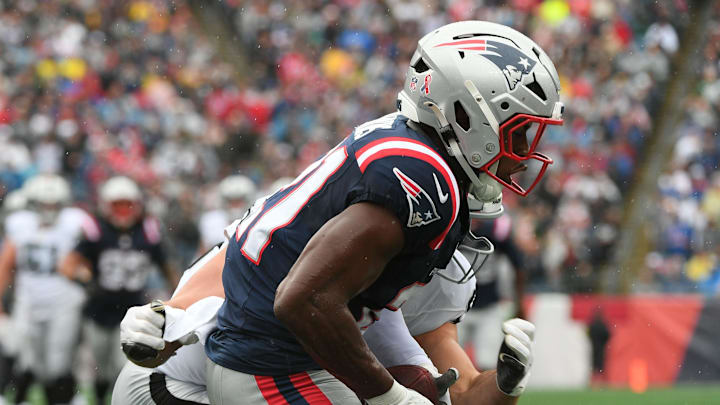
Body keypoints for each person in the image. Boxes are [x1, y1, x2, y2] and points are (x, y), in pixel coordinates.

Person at [203, 20, 561, 404]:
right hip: (269, 363)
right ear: (467, 114)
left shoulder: (412, 151)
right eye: (519, 131)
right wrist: (389, 396)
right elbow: (303, 300)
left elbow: (463, 394)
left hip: (273, 353)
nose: (524, 154)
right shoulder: (423, 180)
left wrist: (505, 385)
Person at [113, 220, 533, 405]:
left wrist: (507, 384)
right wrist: (165, 320)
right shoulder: (300, 246)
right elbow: (172, 328)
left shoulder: (383, 304)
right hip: (168, 389)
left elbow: (459, 395)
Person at [60, 176, 178, 404]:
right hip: (98, 309)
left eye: (127, 205)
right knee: (101, 367)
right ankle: (99, 397)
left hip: (132, 309)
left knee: (122, 366)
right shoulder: (96, 230)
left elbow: (168, 267)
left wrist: (178, 296)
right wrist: (84, 279)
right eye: (117, 205)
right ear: (107, 206)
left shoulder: (149, 231)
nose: (123, 211)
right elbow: (68, 265)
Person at [0, 174, 89, 404]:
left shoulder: (75, 222)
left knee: (58, 360)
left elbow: (89, 258)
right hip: (28, 300)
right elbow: (6, 264)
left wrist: (81, 273)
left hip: (63, 301)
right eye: (43, 203)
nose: (49, 209)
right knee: (28, 358)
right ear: (32, 203)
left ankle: (65, 397)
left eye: (54, 204)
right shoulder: (20, 224)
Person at [198, 175, 256, 252]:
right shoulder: (210, 220)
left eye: (239, 200)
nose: (235, 205)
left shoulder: (255, 218)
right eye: (231, 201)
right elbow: (204, 250)